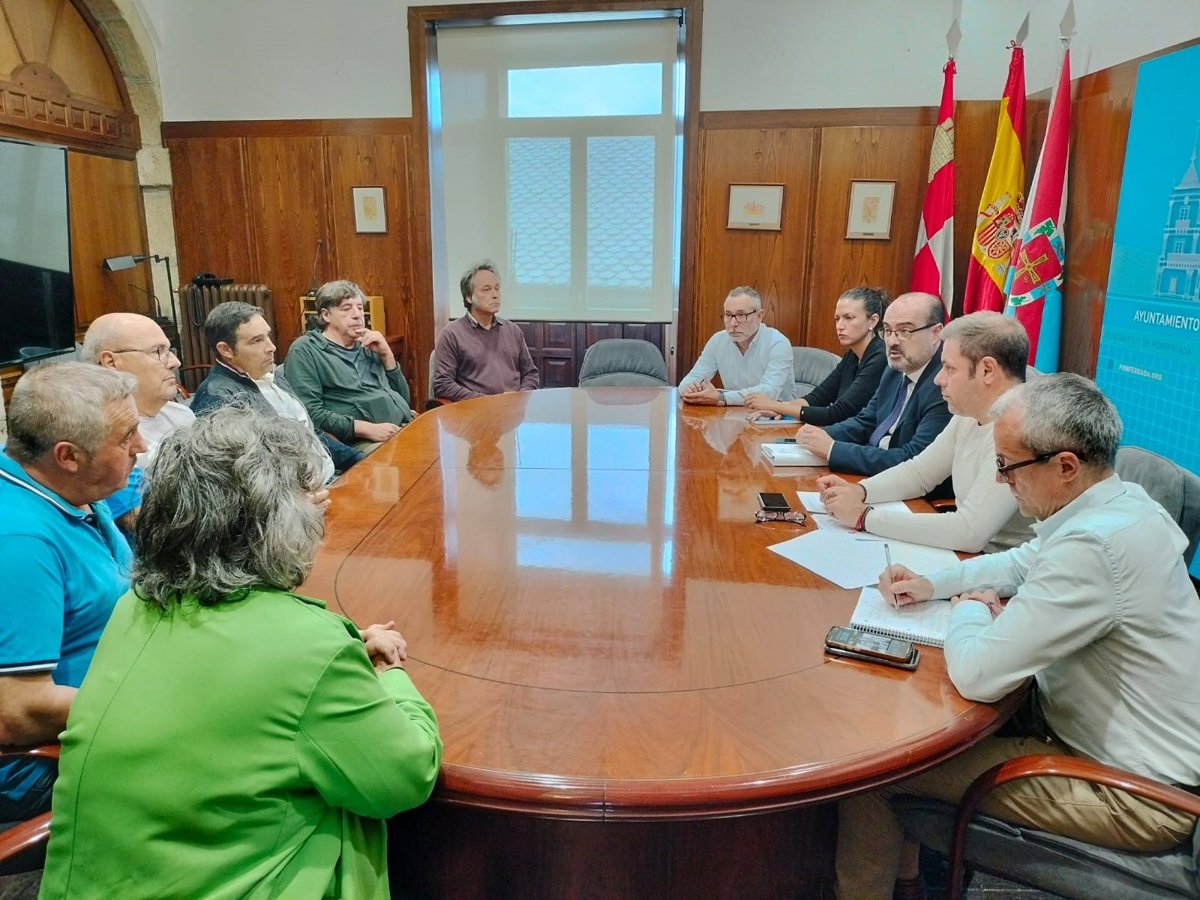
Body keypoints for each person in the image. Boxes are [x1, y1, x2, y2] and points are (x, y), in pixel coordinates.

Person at [38, 407, 443, 899]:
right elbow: (406, 778)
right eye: (310, 499)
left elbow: (231, 683)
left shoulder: (134, 606)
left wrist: (342, 645)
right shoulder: (307, 648)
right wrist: (388, 672)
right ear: (277, 526)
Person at [835, 374, 1200, 899]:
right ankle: (911, 882)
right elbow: (1020, 562)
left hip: (1134, 793)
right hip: (1102, 739)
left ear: (1066, 466)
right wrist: (933, 583)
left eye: (1007, 465)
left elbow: (977, 674)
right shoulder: (1123, 503)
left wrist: (968, 610)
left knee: (873, 777)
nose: (1000, 479)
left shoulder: (1094, 548)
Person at [0, 363, 144, 821]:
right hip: (49, 763)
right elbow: (17, 710)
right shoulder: (21, 542)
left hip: (111, 709)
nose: (141, 446)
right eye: (127, 437)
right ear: (68, 456)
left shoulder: (70, 489)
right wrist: (158, 701)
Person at [817, 311, 1034, 552]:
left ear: (987, 370)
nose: (938, 379)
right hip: (962, 555)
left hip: (994, 564)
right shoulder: (969, 414)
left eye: (949, 368)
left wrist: (864, 517)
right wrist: (860, 491)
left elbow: (969, 532)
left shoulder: (1019, 429)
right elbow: (920, 473)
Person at [794, 292, 952, 491]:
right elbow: (866, 421)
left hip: (911, 492)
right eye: (887, 331)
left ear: (936, 332)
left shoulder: (944, 384)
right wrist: (819, 435)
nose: (892, 341)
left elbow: (914, 459)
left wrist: (833, 449)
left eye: (904, 331)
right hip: (874, 475)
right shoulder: (895, 369)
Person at [190, 301, 364, 480]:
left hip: (328, 476)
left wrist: (357, 459)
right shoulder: (219, 398)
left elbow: (311, 433)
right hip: (301, 493)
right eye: (257, 340)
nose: (271, 347)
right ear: (226, 350)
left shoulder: (270, 374)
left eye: (267, 336)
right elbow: (244, 476)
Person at [80, 312, 195, 529]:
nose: (175, 362)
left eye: (169, 351)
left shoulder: (182, 415)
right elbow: (146, 526)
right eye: (158, 351)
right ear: (111, 362)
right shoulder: (99, 436)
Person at [284, 279, 415, 451]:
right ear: (326, 315)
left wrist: (387, 355)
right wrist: (366, 429)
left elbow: (404, 399)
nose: (357, 315)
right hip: (359, 441)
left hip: (403, 425)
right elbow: (310, 413)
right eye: (346, 309)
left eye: (360, 308)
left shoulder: (368, 343)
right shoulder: (305, 350)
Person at [745, 286, 888, 426]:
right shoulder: (852, 355)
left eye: (849, 318)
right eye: (837, 318)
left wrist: (774, 405)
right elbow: (817, 397)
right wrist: (778, 409)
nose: (840, 326)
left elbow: (837, 414)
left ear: (873, 321)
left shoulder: (881, 357)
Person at [433, 261, 539, 402]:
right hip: (475, 409)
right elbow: (443, 384)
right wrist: (487, 401)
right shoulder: (451, 335)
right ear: (468, 297)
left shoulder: (513, 331)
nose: (495, 295)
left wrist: (519, 396)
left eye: (497, 288)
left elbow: (531, 373)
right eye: (486, 289)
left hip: (514, 408)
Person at [678, 286, 796, 406]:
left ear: (759, 316)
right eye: (728, 315)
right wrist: (689, 389)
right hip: (734, 412)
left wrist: (722, 397)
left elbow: (769, 392)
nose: (733, 323)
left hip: (777, 414)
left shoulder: (778, 343)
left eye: (741, 315)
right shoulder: (718, 341)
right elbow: (691, 379)